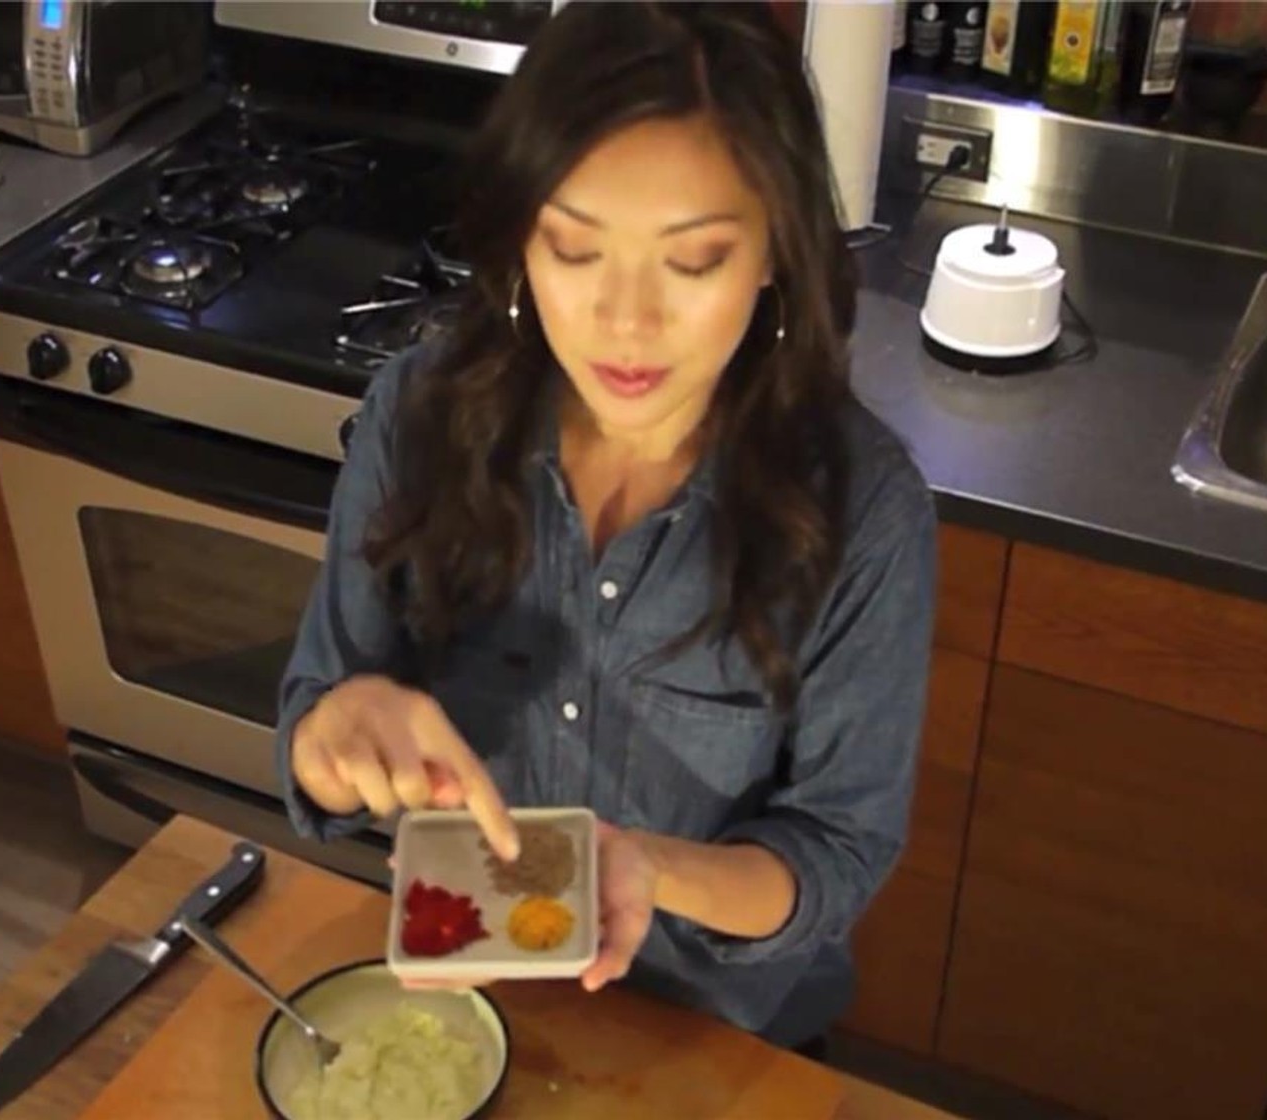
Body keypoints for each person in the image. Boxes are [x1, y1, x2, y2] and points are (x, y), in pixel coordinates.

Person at [277, 1, 936, 1054]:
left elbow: (836, 848)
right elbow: (320, 718)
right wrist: (338, 731)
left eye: (693, 262)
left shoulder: (864, 511)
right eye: (574, 252)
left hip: (714, 1034)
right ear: (521, 244)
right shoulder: (420, 415)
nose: (626, 323)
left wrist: (643, 865)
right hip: (463, 995)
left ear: (774, 253)